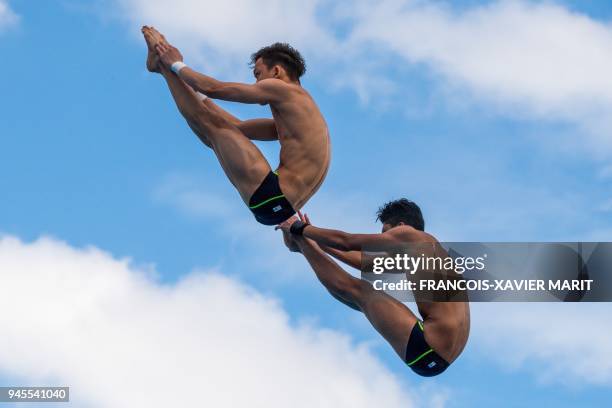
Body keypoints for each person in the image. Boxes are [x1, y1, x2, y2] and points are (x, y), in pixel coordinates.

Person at [142, 26, 330, 225]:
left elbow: (214, 88)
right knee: (213, 130)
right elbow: (237, 128)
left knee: (209, 126)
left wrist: (176, 64)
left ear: (276, 71)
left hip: (273, 194)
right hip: (276, 207)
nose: (256, 82)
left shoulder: (284, 89)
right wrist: (187, 84)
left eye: (258, 74)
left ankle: (162, 66)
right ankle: (161, 67)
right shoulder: (298, 119)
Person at [277, 199, 470, 377]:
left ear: (401, 226)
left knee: (361, 292)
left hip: (428, 347)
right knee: (362, 299)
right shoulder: (427, 251)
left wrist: (300, 228)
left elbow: (346, 242)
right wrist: (316, 241)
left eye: (385, 234)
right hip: (437, 357)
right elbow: (366, 264)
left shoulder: (409, 236)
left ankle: (302, 247)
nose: (382, 240)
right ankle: (304, 246)